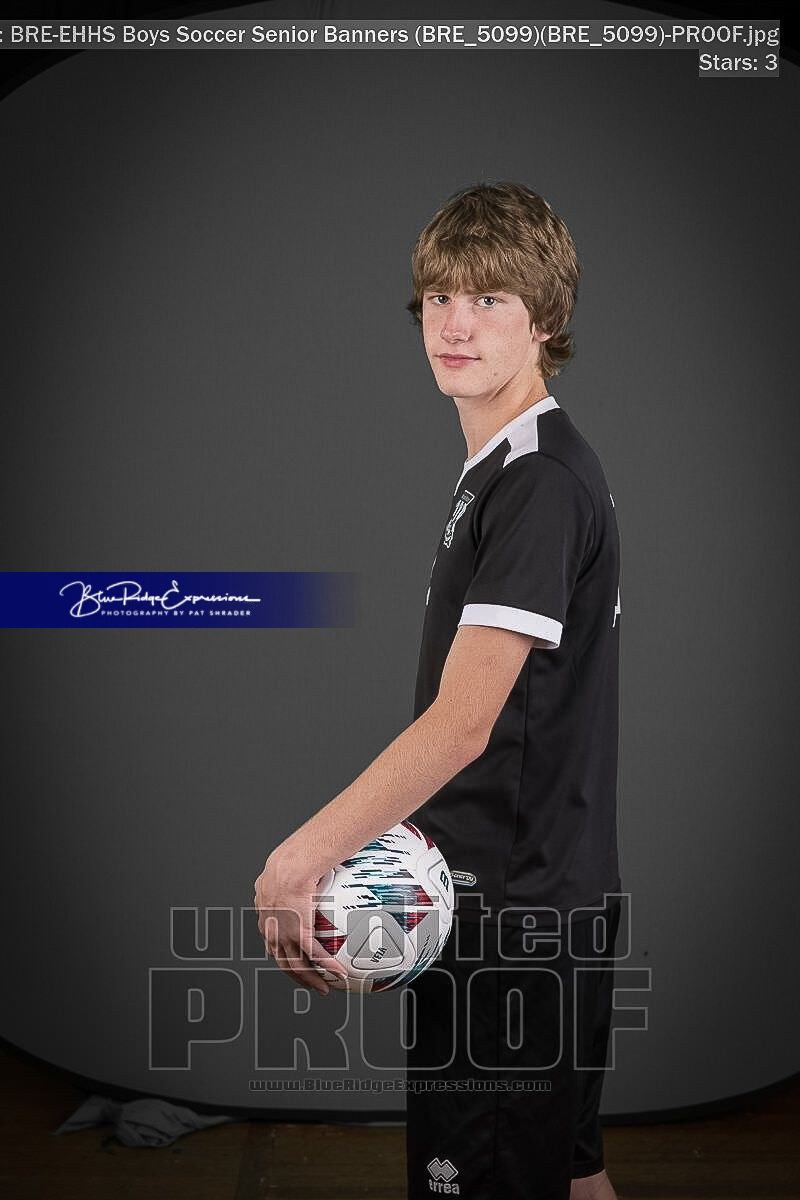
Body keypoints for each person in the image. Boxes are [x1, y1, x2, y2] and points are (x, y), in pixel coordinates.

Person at [253, 181, 623, 1200]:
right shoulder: (507, 467)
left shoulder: (538, 481)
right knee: (571, 1177)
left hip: (512, 919)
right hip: (545, 903)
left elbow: (463, 726)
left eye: (490, 298)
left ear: (545, 319)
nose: (455, 324)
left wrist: (301, 858)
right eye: (439, 297)